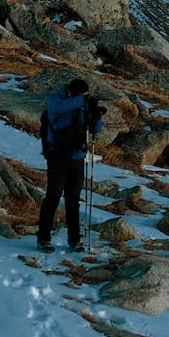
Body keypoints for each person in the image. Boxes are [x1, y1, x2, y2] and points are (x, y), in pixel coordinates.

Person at [36, 78, 104, 252]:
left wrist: (97, 116)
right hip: (57, 155)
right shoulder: (55, 99)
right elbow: (57, 109)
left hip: (77, 156)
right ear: (69, 91)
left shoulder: (81, 102)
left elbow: (94, 129)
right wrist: (82, 101)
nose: (80, 96)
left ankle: (74, 240)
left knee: (73, 199)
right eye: (77, 93)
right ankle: (43, 238)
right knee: (53, 196)